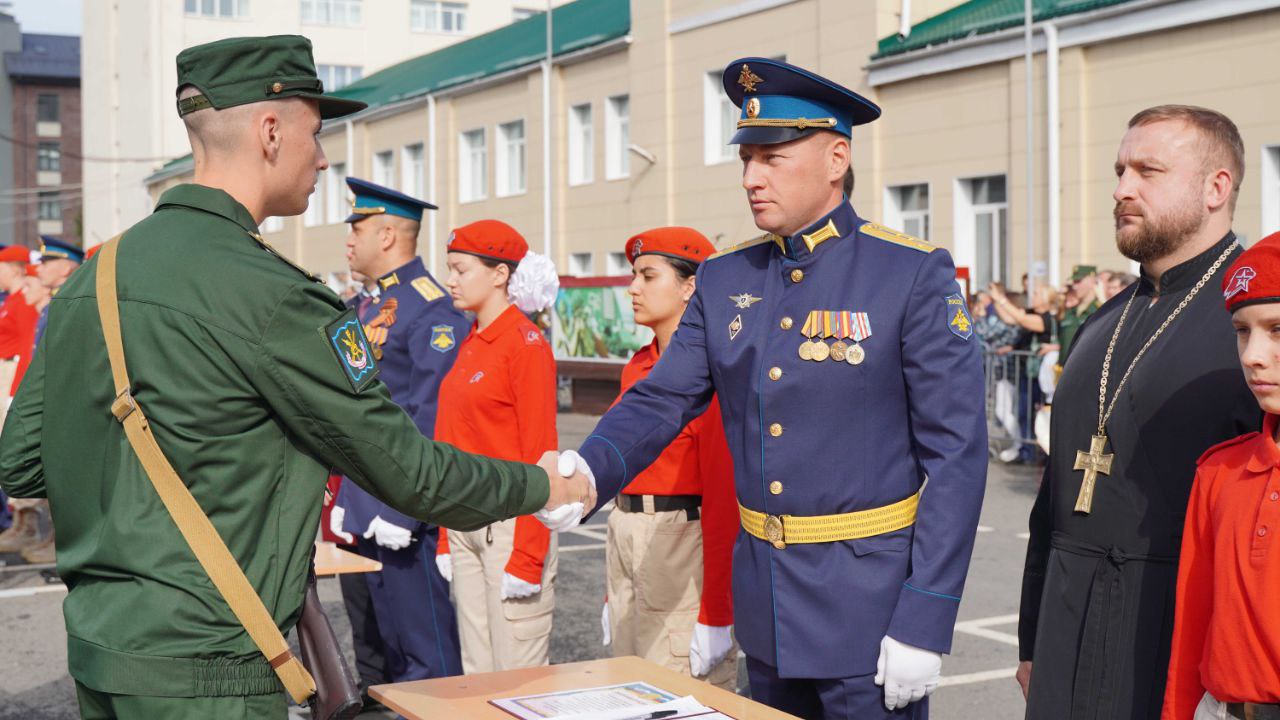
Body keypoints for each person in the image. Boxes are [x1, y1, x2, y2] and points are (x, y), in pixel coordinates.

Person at [0, 35, 592, 719]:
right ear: (270, 130)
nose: (321, 158)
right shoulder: (276, 297)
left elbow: (21, 465)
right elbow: (415, 477)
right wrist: (546, 483)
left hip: (100, 652)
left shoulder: (92, 281)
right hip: (210, 670)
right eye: (315, 134)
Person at [561, 57, 987, 718]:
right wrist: (588, 468)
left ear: (837, 157)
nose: (751, 178)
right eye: (746, 159)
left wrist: (925, 617)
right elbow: (663, 396)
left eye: (772, 157)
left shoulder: (907, 274)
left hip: (869, 617)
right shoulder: (728, 279)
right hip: (767, 609)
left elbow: (956, 456)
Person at [1018, 105, 1260, 720]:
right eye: (1120, 170)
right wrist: (1031, 640)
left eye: (1148, 171)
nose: (1123, 189)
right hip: (1066, 628)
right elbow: (1051, 505)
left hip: (1180, 642)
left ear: (1215, 188)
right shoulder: (1101, 320)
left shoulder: (1258, 325)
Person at [330, 176, 468, 688]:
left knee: (426, 656)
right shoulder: (364, 308)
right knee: (384, 652)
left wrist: (401, 506)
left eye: (357, 228)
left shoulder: (431, 307)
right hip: (368, 502)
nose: (349, 240)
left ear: (387, 235)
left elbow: (429, 420)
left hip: (405, 511)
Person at [601, 227, 739, 689]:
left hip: (683, 540)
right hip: (627, 533)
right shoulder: (638, 366)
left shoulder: (710, 373)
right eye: (634, 275)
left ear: (689, 287)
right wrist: (612, 589)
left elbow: (723, 498)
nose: (633, 287)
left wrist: (717, 613)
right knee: (628, 692)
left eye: (648, 275)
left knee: (679, 692)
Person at [1161, 231, 1280, 720]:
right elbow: (1191, 629)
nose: (1252, 355)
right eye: (1241, 330)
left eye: (1277, 330)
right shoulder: (1220, 472)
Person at [435, 220, 561, 673]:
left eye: (460, 269)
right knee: (477, 675)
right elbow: (451, 446)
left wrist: (528, 557)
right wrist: (446, 537)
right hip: (466, 523)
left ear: (499, 274)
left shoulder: (524, 345)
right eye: (450, 268)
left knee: (516, 680)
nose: (450, 279)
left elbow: (542, 456)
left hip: (510, 528)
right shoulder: (472, 341)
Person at [1058, 265, 1101, 367]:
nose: (1074, 286)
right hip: (1064, 369)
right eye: (1073, 282)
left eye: (1078, 282)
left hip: (1085, 369)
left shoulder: (1100, 310)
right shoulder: (1070, 310)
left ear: (1092, 281)